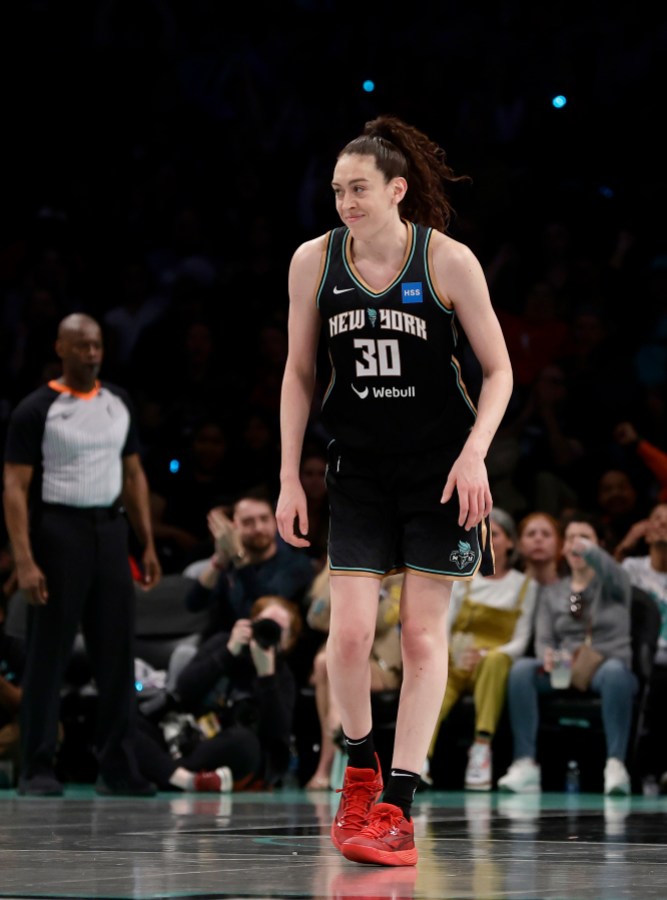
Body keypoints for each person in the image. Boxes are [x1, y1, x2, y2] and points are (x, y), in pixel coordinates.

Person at [275, 114, 513, 866]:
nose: (345, 201)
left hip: (441, 473)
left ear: (397, 190)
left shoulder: (447, 261)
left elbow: (499, 372)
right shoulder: (313, 261)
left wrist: (475, 455)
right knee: (345, 636)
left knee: (418, 638)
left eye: (359, 189)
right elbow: (299, 374)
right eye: (337, 189)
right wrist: (288, 475)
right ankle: (358, 764)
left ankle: (399, 804)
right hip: (359, 470)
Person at [2, 312, 162, 796]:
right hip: (59, 530)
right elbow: (14, 487)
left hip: (110, 531)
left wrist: (146, 542)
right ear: (61, 349)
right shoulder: (38, 409)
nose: (92, 353)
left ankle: (117, 766)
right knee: (47, 653)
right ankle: (36, 765)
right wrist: (25, 560)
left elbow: (133, 475)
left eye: (97, 345)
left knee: (116, 652)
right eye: (82, 346)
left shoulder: (118, 402)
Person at [497, 511, 638, 796]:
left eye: (585, 538)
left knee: (614, 673)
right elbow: (545, 638)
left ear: (600, 546)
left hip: (604, 665)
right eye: (571, 538)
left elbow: (614, 572)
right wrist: (548, 657)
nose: (577, 544)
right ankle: (525, 764)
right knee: (523, 670)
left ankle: (615, 765)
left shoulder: (615, 584)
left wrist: (591, 551)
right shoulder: (553, 592)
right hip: (564, 666)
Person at [135, 595, 303, 793]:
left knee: (244, 743)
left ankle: (162, 771)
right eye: (263, 624)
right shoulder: (224, 643)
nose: (267, 632)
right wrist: (228, 653)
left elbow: (277, 740)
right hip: (185, 736)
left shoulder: (282, 675)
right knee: (124, 720)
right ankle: (185, 779)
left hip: (227, 749)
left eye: (277, 630)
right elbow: (184, 691)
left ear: (288, 641)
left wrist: (266, 677)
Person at [425, 507, 537, 791]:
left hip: (492, 661)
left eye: (495, 533)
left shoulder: (525, 586)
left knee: (496, 662)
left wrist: (486, 655)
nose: (487, 538)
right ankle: (420, 759)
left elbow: (520, 641)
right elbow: (445, 624)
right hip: (458, 657)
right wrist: (451, 653)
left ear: (510, 542)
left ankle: (481, 749)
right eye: (481, 533)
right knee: (431, 677)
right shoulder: (466, 578)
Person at [304, 568, 403, 790]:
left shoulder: (397, 576)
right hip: (343, 656)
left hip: (380, 662)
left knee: (330, 665)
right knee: (324, 664)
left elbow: (384, 619)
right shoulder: (332, 569)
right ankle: (335, 726)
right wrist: (337, 581)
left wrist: (358, 591)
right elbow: (315, 618)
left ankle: (325, 764)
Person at [618, 502, 667, 790]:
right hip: (643, 659)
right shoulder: (631, 568)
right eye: (657, 519)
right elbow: (600, 585)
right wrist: (626, 544)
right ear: (646, 532)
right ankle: (646, 771)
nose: (662, 524)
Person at [516, 511, 564, 587]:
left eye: (546, 534)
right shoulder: (507, 591)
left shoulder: (572, 591)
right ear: (519, 544)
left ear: (560, 544)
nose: (538, 538)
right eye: (531, 534)